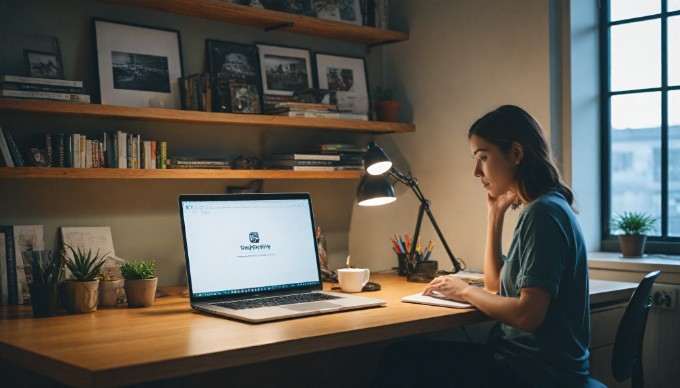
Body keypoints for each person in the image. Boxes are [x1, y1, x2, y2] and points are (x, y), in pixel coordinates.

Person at [376, 105, 590, 387]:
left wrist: (464, 290)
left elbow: (527, 316)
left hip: (533, 373)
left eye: (483, 158)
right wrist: (494, 216)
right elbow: (494, 285)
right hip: (532, 366)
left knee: (399, 358)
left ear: (516, 153)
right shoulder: (545, 207)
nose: (476, 171)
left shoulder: (543, 214)